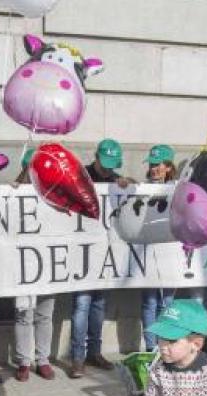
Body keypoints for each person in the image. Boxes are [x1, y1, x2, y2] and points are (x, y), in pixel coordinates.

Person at [72, 138, 132, 377]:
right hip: (83, 255)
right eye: (103, 163)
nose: (106, 169)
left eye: (111, 165)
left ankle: (94, 353)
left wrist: (128, 184)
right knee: (82, 305)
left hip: (105, 255)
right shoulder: (81, 175)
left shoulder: (115, 179)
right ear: (95, 157)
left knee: (98, 306)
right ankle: (78, 357)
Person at [10, 148, 57, 381]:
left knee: (45, 314)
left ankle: (43, 359)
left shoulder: (55, 193)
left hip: (48, 262)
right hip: (25, 263)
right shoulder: (14, 193)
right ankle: (23, 361)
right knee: (24, 314)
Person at [140, 144, 178, 352]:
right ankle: (150, 347)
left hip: (170, 251)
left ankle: (165, 344)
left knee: (167, 301)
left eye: (157, 164)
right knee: (149, 301)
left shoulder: (178, 188)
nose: (154, 168)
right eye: (152, 164)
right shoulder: (143, 188)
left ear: (168, 167)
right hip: (147, 251)